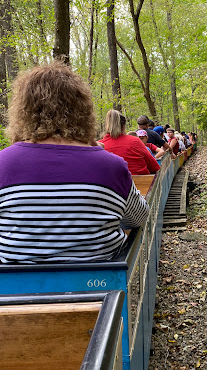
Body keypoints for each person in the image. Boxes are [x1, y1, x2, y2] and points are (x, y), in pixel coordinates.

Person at [0, 61, 149, 264]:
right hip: (101, 289)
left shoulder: (3, 163)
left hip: (14, 292)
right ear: (83, 111)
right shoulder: (111, 167)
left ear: (23, 112)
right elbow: (138, 218)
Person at [99, 110, 160, 175]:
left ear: (107, 126)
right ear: (124, 126)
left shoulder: (99, 146)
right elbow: (154, 167)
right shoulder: (135, 141)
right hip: (140, 183)